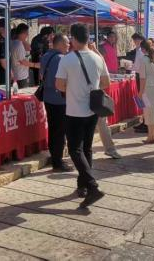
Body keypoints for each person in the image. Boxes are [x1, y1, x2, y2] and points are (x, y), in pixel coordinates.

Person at [56, 23, 109, 208]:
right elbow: (106, 83)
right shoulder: (97, 58)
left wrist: (73, 87)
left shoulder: (67, 59)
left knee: (75, 150)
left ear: (73, 38)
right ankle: (83, 186)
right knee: (86, 148)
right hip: (92, 110)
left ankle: (92, 186)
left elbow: (59, 85)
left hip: (74, 111)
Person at [40, 33, 73, 172]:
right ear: (59, 44)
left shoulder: (46, 56)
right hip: (60, 99)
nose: (69, 45)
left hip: (48, 98)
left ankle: (55, 157)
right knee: (60, 131)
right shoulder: (61, 58)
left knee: (53, 129)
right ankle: (58, 162)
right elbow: (62, 81)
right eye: (66, 43)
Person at [11, 23, 38, 89]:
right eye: (26, 33)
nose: (27, 35)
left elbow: (29, 48)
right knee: (22, 93)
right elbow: (23, 61)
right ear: (22, 33)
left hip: (17, 74)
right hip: (21, 76)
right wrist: (35, 65)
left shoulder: (14, 42)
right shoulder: (19, 44)